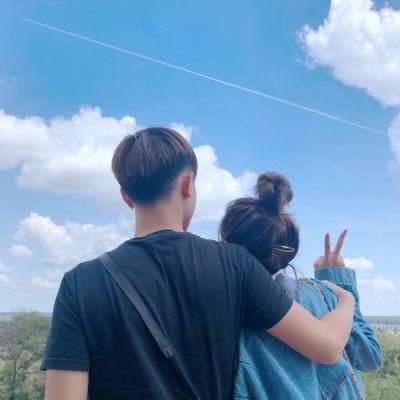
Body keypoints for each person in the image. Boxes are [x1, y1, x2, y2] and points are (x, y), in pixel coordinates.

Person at [41, 128, 355, 400]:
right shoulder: (235, 264)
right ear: (187, 184)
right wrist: (346, 298)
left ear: (126, 196)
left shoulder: (79, 283)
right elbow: (327, 347)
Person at [219, 171, 383, 400]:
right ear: (287, 249)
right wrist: (343, 290)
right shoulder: (316, 294)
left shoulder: (219, 306)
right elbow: (370, 357)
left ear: (227, 243)